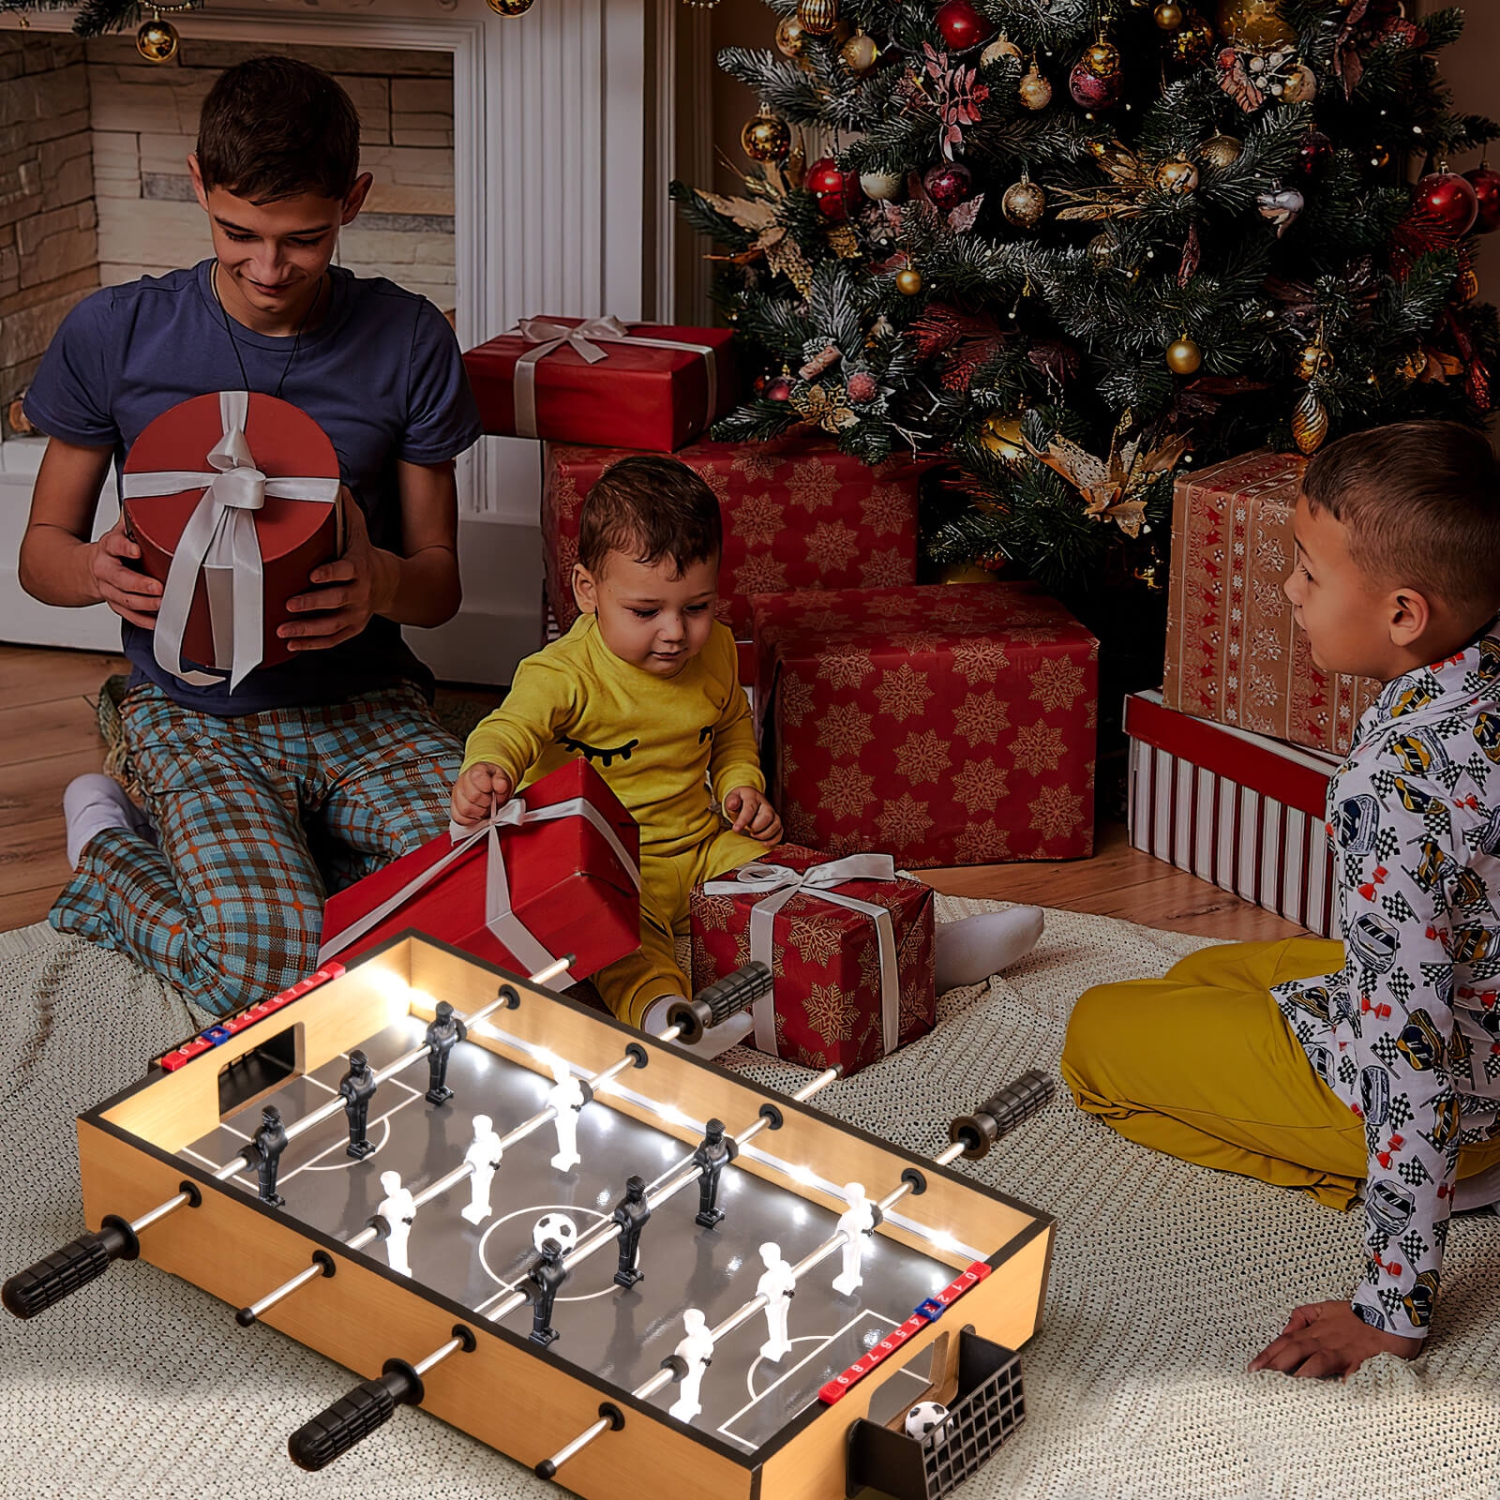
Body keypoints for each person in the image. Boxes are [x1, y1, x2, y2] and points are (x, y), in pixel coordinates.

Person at [18, 57, 480, 1017]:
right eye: (239, 234)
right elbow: (39, 557)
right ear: (198, 185)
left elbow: (439, 582)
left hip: (367, 705)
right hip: (191, 711)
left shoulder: (407, 339)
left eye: (303, 240)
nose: (269, 270)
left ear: (353, 201)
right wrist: (95, 572)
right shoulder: (115, 332)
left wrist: (382, 586)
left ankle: (296, 854)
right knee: (263, 972)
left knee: (501, 885)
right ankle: (110, 840)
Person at [1061, 421, 1500, 1379]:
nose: (1288, 591)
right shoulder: (1481, 659)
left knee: (1094, 1036)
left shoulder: (1394, 791)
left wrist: (1394, 1307)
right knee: (1203, 974)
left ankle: (1450, 1181)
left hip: (1446, 1096)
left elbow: (1408, 1052)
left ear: (1402, 615)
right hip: (1474, 1013)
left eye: (1308, 571)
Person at [451, 456, 1044, 1054]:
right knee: (615, 937)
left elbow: (732, 724)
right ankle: (667, 1016)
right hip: (610, 862)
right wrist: (490, 769)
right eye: (645, 611)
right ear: (588, 591)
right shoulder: (562, 674)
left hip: (702, 843)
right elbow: (511, 727)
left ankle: (914, 951)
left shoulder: (709, 658)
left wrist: (741, 784)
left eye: (696, 607)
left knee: (795, 874)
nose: (675, 633)